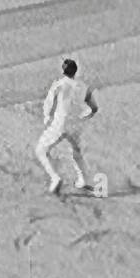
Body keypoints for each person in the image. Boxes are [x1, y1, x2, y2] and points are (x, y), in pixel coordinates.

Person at [35, 58, 97, 197]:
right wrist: (85, 117)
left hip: (60, 124)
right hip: (75, 125)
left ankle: (55, 178)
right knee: (76, 152)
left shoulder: (59, 84)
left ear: (63, 71)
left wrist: (46, 117)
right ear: (76, 71)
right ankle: (83, 180)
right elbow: (94, 108)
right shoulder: (83, 86)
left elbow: (49, 102)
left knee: (41, 150)